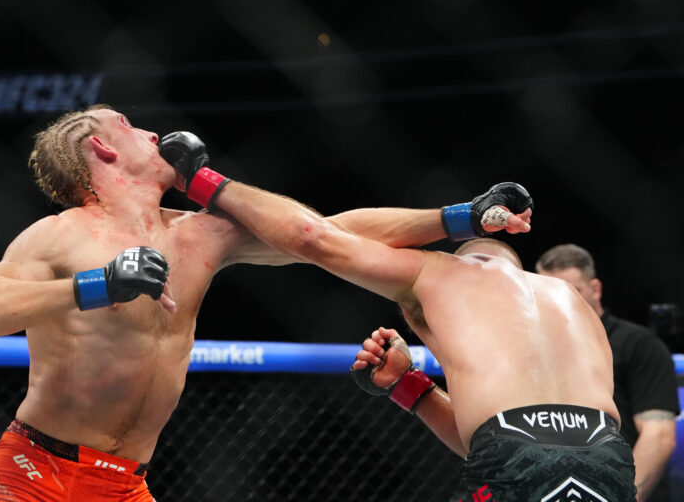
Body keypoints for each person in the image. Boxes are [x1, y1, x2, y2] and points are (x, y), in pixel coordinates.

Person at [0, 106, 527, 501]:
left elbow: (334, 232)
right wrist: (100, 284)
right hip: (36, 471)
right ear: (102, 146)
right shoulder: (59, 236)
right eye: (130, 125)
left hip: (125, 484)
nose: (153, 133)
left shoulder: (198, 235)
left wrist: (460, 218)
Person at [184, 157, 637, 500]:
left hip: (510, 453)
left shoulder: (440, 272)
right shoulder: (574, 302)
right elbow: (529, 437)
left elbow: (313, 237)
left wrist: (200, 180)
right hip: (608, 458)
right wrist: (409, 386)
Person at [536, 244, 679, 502]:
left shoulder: (639, 344)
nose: (559, 301)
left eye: (573, 291)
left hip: (620, 488)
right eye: (548, 292)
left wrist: (624, 495)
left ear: (596, 289)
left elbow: (658, 435)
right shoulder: (532, 349)